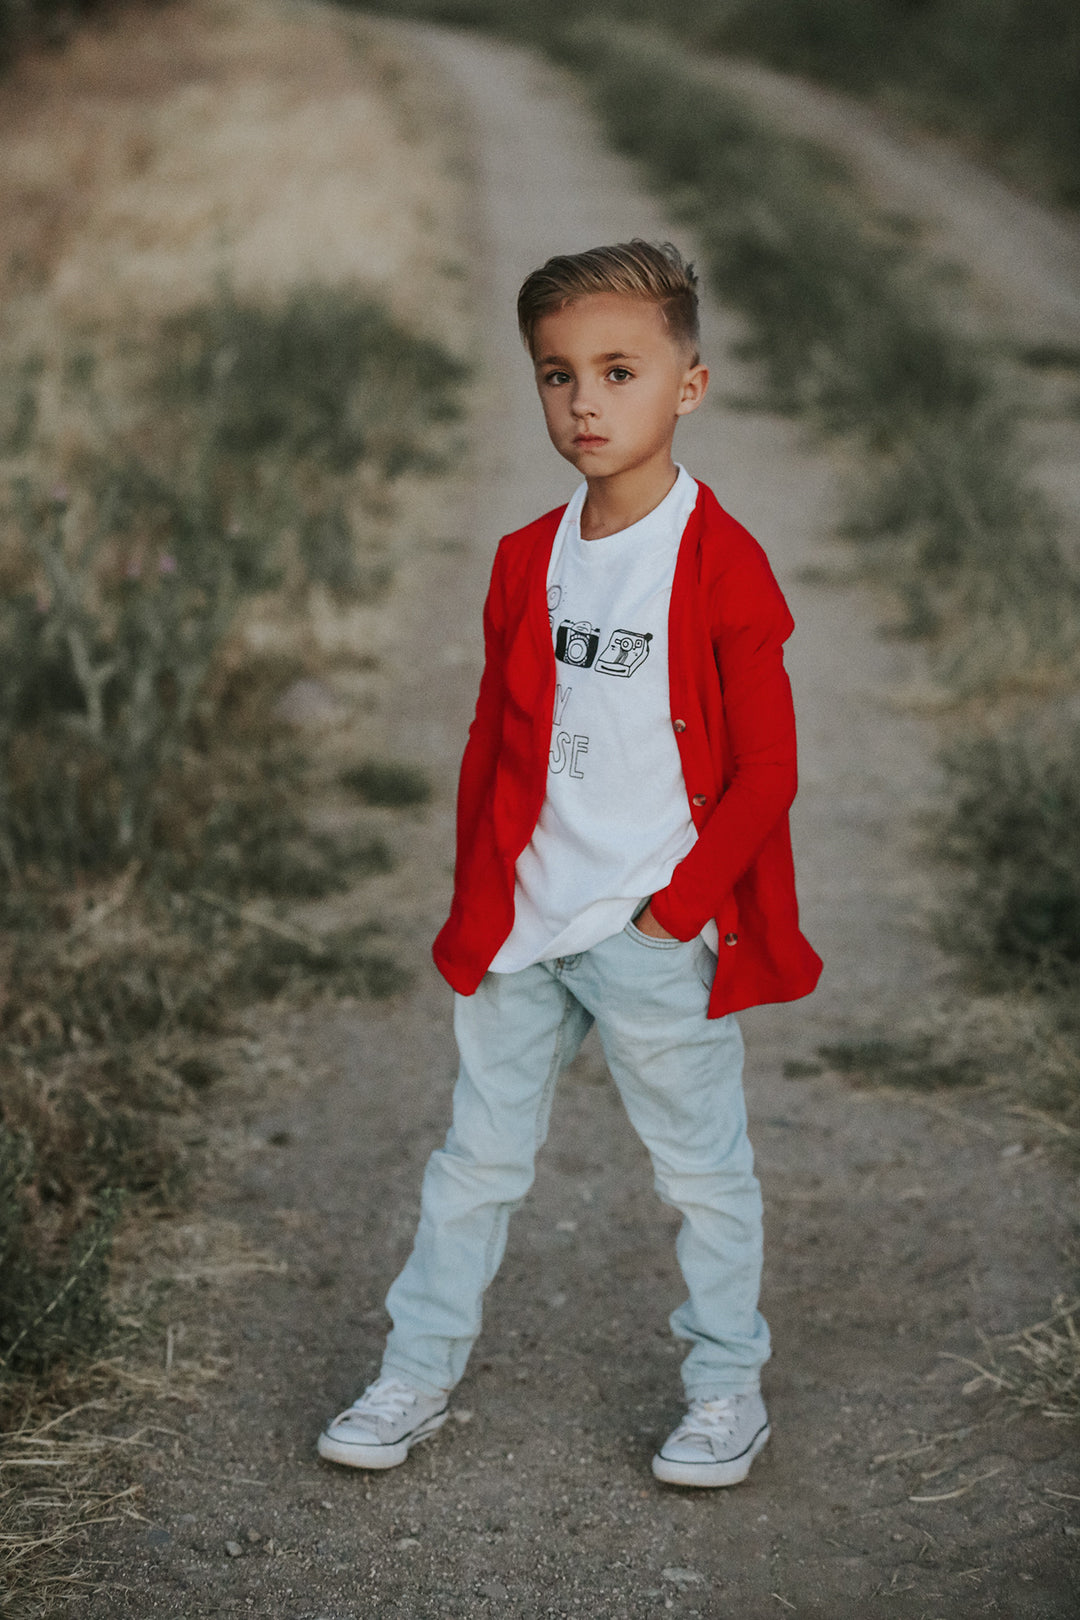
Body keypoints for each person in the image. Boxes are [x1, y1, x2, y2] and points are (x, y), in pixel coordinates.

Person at [318, 240, 822, 1488]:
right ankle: (415, 1373)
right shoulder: (521, 562)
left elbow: (767, 772)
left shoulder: (723, 567)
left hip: (652, 929)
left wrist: (677, 914)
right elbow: (494, 750)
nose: (585, 403)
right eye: (556, 377)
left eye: (617, 371)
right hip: (527, 926)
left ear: (687, 387)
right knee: (473, 1163)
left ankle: (723, 1389)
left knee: (702, 1175)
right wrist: (478, 910)